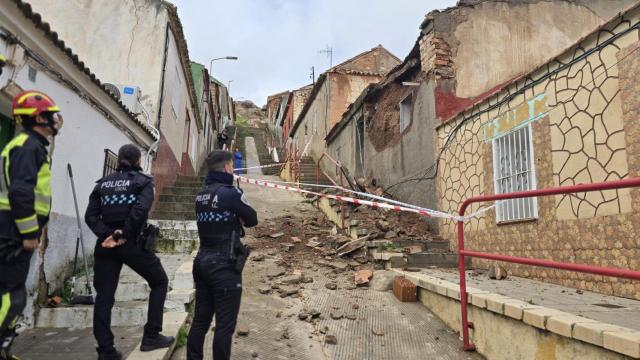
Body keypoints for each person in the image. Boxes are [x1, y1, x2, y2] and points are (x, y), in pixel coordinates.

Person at [85, 144, 174, 360]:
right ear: (138, 161)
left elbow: (91, 216)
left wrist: (107, 235)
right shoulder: (143, 182)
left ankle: (106, 351)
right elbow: (141, 210)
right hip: (132, 242)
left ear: (119, 161)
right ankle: (151, 336)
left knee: (104, 296)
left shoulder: (102, 184)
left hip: (105, 246)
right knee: (160, 281)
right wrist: (122, 234)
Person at [0, 91, 63, 360]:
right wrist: (28, 233)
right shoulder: (27, 146)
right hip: (13, 231)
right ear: (38, 117)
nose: (55, 121)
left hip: (14, 229)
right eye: (50, 115)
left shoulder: (31, 145)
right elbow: (21, 193)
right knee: (10, 297)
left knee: (11, 295)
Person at [187, 150, 258, 360]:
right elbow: (252, 218)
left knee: (200, 321)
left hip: (201, 262)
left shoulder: (201, 194)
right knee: (224, 327)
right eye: (232, 167)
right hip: (224, 265)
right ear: (227, 168)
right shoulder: (230, 193)